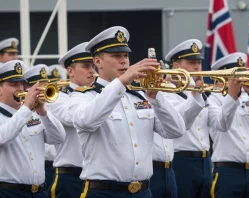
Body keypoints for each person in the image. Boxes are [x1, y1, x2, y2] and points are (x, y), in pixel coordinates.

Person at [69, 26, 186, 198]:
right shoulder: (84, 96)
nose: (123, 61)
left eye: (125, 55)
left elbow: (176, 130)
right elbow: (86, 121)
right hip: (103, 192)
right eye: (116, 56)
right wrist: (122, 81)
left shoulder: (139, 96)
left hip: (143, 191)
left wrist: (156, 97)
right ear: (98, 61)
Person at [163, 39, 239, 198]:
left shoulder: (204, 94)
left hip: (205, 162)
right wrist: (196, 93)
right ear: (176, 66)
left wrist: (232, 97)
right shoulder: (165, 93)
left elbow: (222, 125)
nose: (198, 67)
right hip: (181, 161)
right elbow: (181, 123)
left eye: (198, 62)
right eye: (191, 62)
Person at [208, 52, 249, 198]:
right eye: (237, 76)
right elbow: (223, 124)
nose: (242, 78)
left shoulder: (247, 96)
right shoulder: (212, 100)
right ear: (223, 77)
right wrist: (232, 96)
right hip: (228, 173)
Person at [0, 60, 65, 198]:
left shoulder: (32, 113)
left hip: (40, 192)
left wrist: (42, 111)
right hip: (8, 192)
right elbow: (3, 138)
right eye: (13, 85)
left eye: (21, 84)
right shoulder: (25, 112)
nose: (20, 88)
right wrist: (26, 108)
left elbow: (59, 138)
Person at [46, 42, 96, 198]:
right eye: (86, 66)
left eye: (93, 66)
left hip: (96, 176)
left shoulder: (98, 96)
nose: (92, 72)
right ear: (70, 71)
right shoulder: (57, 97)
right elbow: (73, 118)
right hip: (70, 176)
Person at [23, 63, 58, 193]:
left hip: (51, 166)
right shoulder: (23, 111)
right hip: (41, 165)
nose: (43, 90)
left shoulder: (48, 106)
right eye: (39, 87)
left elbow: (59, 137)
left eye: (45, 86)